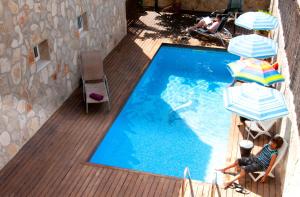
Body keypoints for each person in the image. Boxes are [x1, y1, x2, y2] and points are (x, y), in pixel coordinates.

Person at [216, 136, 284, 188]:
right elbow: (259, 152)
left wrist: (265, 176)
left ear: (277, 146)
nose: (272, 143)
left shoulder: (274, 154)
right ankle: (224, 169)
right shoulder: (266, 146)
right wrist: (253, 158)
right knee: (238, 160)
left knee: (244, 169)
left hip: (261, 165)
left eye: (274, 143)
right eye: (272, 141)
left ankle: (229, 182)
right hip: (256, 159)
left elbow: (270, 166)